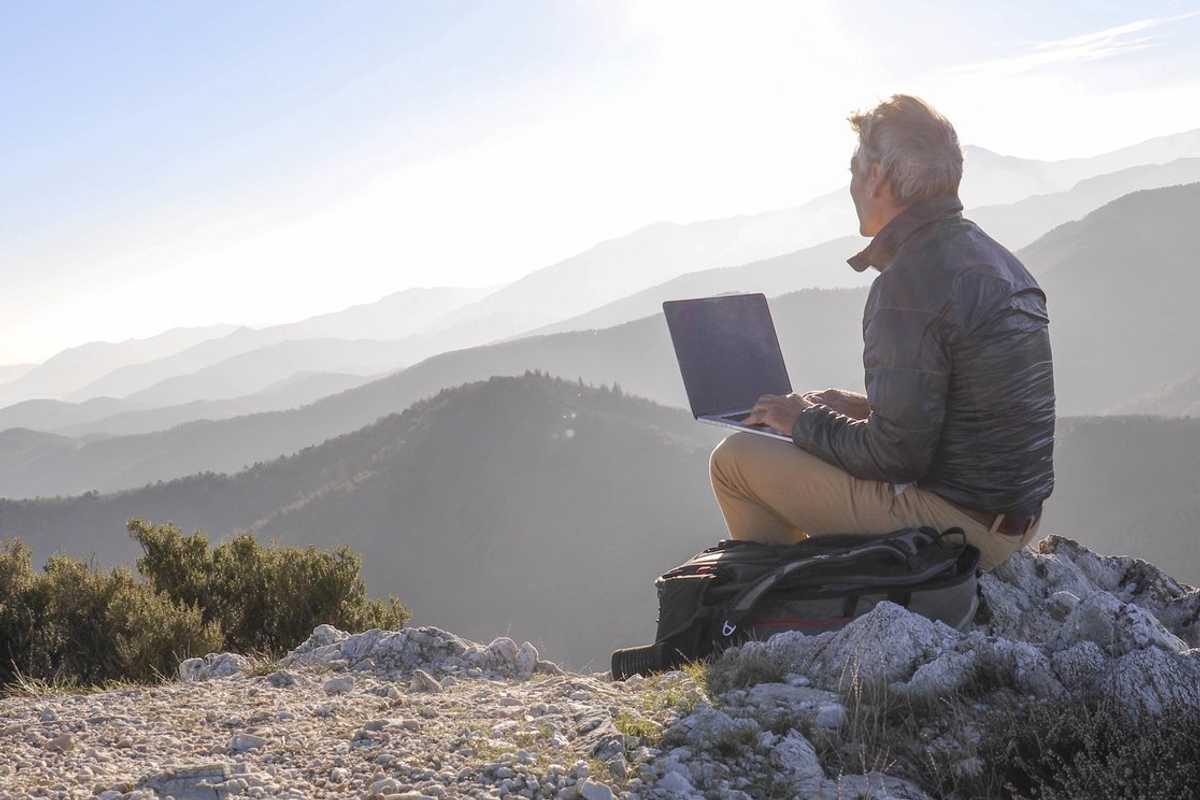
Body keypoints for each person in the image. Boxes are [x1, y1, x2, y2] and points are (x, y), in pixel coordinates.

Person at [716, 94, 1055, 572]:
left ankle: (791, 607)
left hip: (960, 528)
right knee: (795, 433)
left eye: (855, 167)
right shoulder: (994, 258)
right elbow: (960, 410)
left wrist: (801, 423)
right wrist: (853, 407)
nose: (851, 183)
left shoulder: (908, 283)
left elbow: (895, 459)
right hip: (1012, 518)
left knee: (734, 460)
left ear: (876, 176)